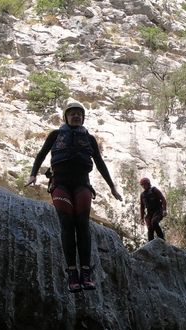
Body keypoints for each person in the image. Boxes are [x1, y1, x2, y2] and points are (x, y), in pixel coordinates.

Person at [25, 99, 123, 293]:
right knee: (67, 224)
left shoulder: (89, 138)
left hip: (81, 184)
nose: (76, 116)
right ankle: (72, 273)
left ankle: (86, 273)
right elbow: (42, 154)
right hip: (60, 184)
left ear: (83, 118)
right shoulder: (55, 135)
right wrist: (33, 174)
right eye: (72, 113)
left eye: (79, 113)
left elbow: (100, 164)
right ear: (66, 117)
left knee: (82, 224)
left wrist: (112, 187)